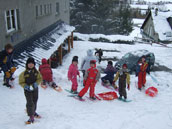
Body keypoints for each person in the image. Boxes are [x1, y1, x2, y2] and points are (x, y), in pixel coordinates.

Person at [19, 57, 42, 124]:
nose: (31, 65)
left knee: (35, 100)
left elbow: (39, 79)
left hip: (35, 89)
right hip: (28, 90)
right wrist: (25, 86)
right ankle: (31, 116)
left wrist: (36, 84)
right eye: (29, 63)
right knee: (30, 102)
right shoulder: (24, 73)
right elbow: (21, 82)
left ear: (34, 64)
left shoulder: (36, 72)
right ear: (27, 64)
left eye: (32, 63)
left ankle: (33, 112)